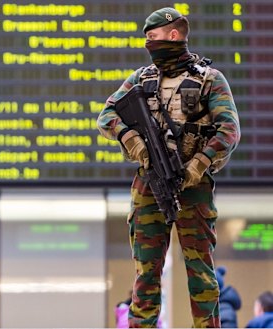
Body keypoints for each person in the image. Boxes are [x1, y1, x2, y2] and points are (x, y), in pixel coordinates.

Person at [97, 7, 241, 328]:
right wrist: (133, 141)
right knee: (146, 274)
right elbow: (107, 116)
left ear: (173, 35)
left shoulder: (209, 80)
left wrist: (199, 164)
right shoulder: (141, 78)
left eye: (154, 37)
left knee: (200, 273)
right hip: (150, 185)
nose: (149, 43)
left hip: (194, 188)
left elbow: (229, 131)